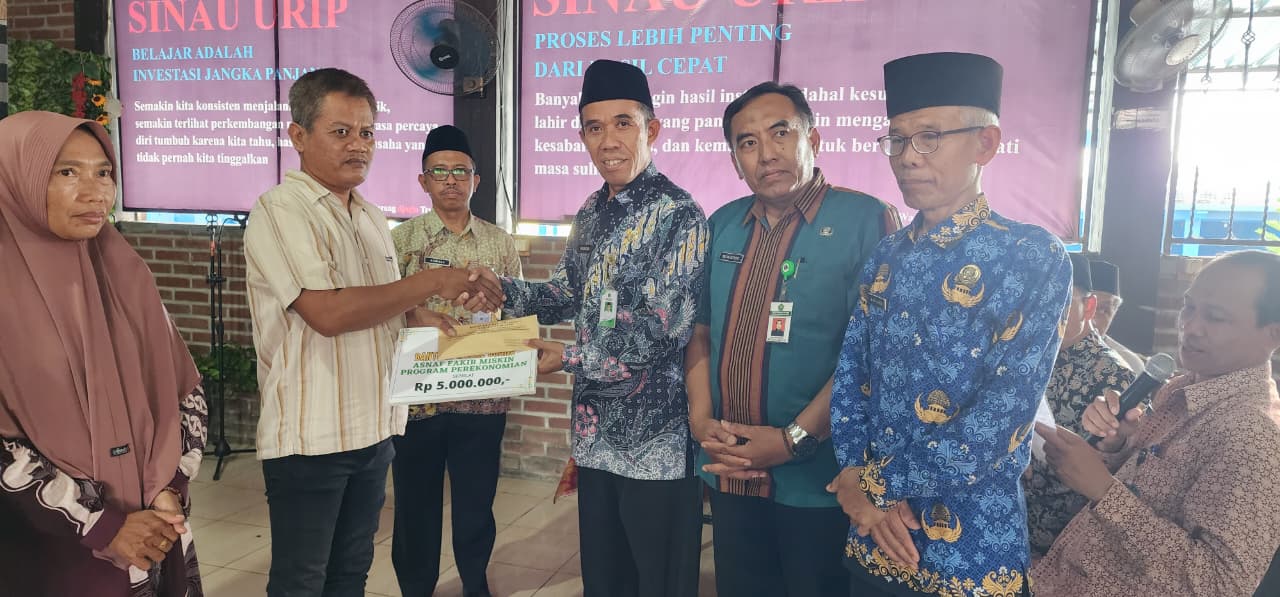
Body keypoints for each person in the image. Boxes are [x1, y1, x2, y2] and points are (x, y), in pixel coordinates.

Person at [244, 68, 500, 597]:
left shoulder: (368, 217)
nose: (358, 145)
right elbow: (327, 313)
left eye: (366, 133)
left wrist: (421, 317)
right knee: (302, 581)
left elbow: (382, 304)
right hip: (312, 436)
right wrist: (431, 282)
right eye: (341, 132)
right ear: (298, 135)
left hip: (372, 429)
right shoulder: (281, 211)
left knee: (350, 574)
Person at [827, 52, 1072, 597]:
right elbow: (851, 379)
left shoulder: (1032, 256)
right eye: (897, 139)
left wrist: (875, 486)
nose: (907, 157)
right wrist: (856, 478)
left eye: (929, 137)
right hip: (875, 538)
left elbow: (1003, 416)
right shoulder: (887, 255)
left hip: (972, 553)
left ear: (985, 144)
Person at [467, 59, 707, 597]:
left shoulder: (679, 215)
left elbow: (663, 330)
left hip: (656, 447)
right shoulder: (593, 210)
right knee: (605, 580)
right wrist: (502, 291)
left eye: (623, 123)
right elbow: (566, 294)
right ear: (582, 137)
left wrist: (568, 358)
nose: (608, 141)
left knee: (658, 584)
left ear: (652, 129)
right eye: (594, 128)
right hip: (596, 440)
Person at [685, 81, 900, 596]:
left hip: (819, 483)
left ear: (813, 139)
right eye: (748, 142)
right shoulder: (723, 225)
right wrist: (700, 420)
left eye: (780, 133)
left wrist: (792, 441)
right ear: (735, 161)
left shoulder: (865, 219)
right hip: (731, 471)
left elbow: (872, 356)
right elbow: (701, 331)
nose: (767, 153)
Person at [0, 111, 208, 596]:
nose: (96, 193)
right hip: (50, 552)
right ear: (15, 179)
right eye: (67, 172)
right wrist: (103, 525)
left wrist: (169, 488)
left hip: (155, 529)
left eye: (104, 172)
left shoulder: (123, 271)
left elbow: (184, 389)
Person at [1033, 250, 1280, 596]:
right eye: (1188, 307)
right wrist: (1116, 446)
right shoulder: (1179, 390)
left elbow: (1219, 585)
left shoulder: (1253, 436)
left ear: (1273, 334)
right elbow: (1149, 491)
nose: (1190, 327)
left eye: (1216, 317)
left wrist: (1103, 490)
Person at [388, 125, 523, 597]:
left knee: (476, 504)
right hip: (418, 399)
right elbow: (381, 307)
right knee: (415, 505)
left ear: (476, 180)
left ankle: (474, 583)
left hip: (481, 397)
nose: (451, 180)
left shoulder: (500, 242)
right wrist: (413, 311)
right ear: (423, 181)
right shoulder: (400, 241)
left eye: (460, 171)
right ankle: (416, 587)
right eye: (439, 171)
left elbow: (517, 307)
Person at [1023, 253, 1135, 557]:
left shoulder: (1115, 377)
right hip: (1016, 529)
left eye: (1059, 301)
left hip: (1068, 548)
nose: (1044, 312)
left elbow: (1123, 470)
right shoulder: (1028, 359)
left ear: (1089, 306)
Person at [1088, 258, 1145, 372]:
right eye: (1087, 307)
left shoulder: (1129, 364)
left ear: (1114, 312)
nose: (1091, 320)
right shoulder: (1053, 352)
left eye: (1102, 310)